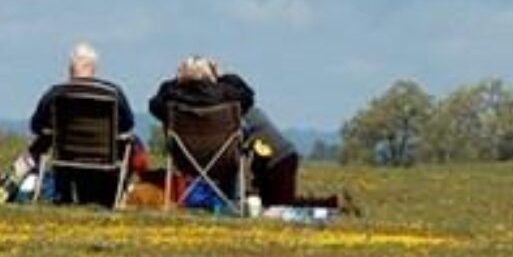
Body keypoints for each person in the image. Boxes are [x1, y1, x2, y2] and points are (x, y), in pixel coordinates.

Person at [149, 56, 345, 211]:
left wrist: (178, 80)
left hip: (192, 160)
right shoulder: (227, 95)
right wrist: (221, 76)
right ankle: (329, 203)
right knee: (275, 208)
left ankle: (328, 204)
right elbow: (247, 94)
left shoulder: (172, 100)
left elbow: (154, 104)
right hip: (230, 158)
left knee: (276, 208)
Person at [28, 42, 137, 204]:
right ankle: (119, 194)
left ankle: (58, 195)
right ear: (93, 68)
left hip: (66, 161)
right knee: (134, 142)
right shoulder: (113, 93)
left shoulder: (56, 93)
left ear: (71, 68)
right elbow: (128, 124)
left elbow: (36, 125)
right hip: (103, 160)